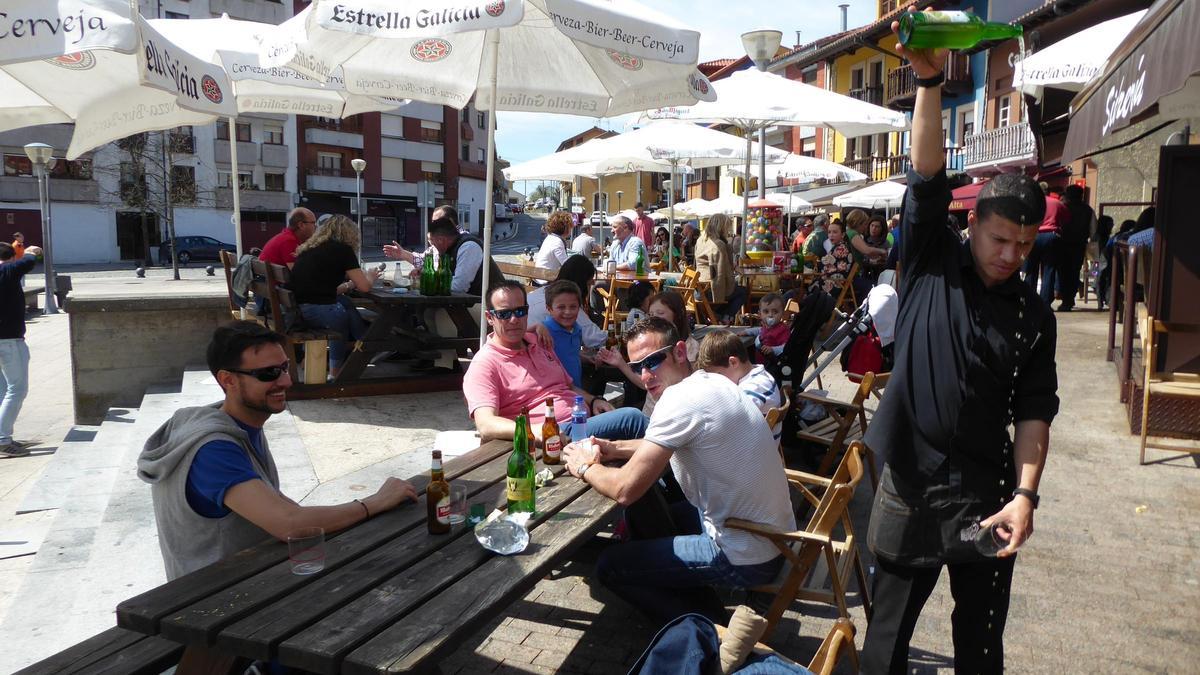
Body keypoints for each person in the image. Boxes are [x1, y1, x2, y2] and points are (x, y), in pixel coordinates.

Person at [859, 28, 1059, 674]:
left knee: (979, 645)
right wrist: (926, 82)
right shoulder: (930, 259)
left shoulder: (1033, 314)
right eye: (1001, 239)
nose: (1011, 256)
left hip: (988, 490)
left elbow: (1035, 410)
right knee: (885, 642)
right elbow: (925, 175)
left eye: (1025, 246)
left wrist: (1025, 496)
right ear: (973, 225)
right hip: (910, 480)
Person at [138, 321, 418, 579]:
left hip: (250, 575)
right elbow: (289, 524)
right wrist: (374, 502)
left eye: (285, 367)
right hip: (216, 600)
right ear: (228, 381)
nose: (285, 381)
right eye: (268, 374)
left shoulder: (241, 424)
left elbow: (281, 508)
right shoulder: (213, 450)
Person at [560, 317, 795, 626]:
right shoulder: (713, 381)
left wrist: (584, 465)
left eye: (653, 360)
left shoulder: (677, 400)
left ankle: (709, 628)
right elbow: (668, 442)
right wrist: (615, 448)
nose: (645, 375)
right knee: (654, 513)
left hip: (746, 554)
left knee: (609, 565)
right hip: (773, 537)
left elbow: (625, 490)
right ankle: (685, 590)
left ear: (680, 352)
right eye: (638, 366)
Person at [463, 281, 648, 446]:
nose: (514, 319)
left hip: (580, 420)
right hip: (551, 435)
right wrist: (532, 430)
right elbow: (485, 424)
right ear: (489, 317)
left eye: (520, 311)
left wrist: (593, 400)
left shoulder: (539, 341)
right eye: (504, 314)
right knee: (633, 419)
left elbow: (567, 386)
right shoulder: (485, 363)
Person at [290, 215, 380, 377]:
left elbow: (320, 286)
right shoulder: (343, 250)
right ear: (350, 234)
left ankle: (365, 341)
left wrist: (349, 283)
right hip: (315, 310)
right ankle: (337, 371)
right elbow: (365, 287)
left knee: (345, 303)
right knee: (341, 317)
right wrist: (371, 276)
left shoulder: (311, 247)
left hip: (298, 309)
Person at [696, 328, 783, 440]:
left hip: (753, 452)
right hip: (755, 444)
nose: (716, 381)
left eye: (718, 374)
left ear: (733, 362)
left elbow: (727, 420)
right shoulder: (758, 375)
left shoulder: (756, 386)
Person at [0, 241, 43, 458]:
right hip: (9, 340)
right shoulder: (8, 269)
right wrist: (28, 251)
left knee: (3, 389)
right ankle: (3, 440)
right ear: (11, 256)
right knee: (17, 389)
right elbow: (31, 257)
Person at [528, 255, 606, 351]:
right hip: (538, 353)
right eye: (589, 283)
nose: (592, 285)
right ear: (581, 284)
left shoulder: (543, 292)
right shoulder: (568, 305)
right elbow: (596, 339)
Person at [424, 216, 505, 296]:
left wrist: (429, 285)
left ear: (442, 240)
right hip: (470, 299)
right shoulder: (449, 249)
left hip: (491, 302)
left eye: (433, 244)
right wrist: (423, 275)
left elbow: (459, 287)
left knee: (430, 308)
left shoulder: (469, 247)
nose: (432, 248)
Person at [695, 213, 748, 323]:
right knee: (743, 292)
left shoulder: (701, 240)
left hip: (699, 289)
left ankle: (719, 316)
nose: (728, 230)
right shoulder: (718, 245)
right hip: (711, 291)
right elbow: (722, 274)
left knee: (736, 291)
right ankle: (725, 317)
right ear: (722, 227)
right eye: (727, 227)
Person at [1024, 187, 1070, 306]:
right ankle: (1045, 302)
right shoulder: (1057, 203)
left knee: (1031, 269)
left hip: (1034, 235)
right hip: (1052, 236)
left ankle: (1028, 298)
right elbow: (1066, 219)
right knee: (1049, 270)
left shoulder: (1031, 204)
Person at [382, 204, 463, 269]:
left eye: (436, 222)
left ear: (450, 221)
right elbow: (423, 260)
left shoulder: (466, 245)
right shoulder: (439, 240)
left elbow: (458, 285)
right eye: (433, 222)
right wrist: (402, 254)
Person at [540, 280, 587, 387]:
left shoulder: (577, 329)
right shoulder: (544, 332)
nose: (568, 312)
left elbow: (570, 353)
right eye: (561, 307)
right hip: (557, 392)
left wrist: (585, 358)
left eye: (573, 307)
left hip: (576, 389)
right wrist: (536, 326)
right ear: (549, 309)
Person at [1056, 185, 1094, 312]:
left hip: (1062, 243)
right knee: (1074, 272)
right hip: (1079, 244)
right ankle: (1069, 299)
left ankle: (1064, 298)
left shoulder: (1062, 207)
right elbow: (1093, 229)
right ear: (1081, 195)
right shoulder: (1088, 210)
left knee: (1062, 272)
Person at [748, 293, 788, 368]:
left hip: (773, 365)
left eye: (775, 312)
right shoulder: (766, 327)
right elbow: (759, 330)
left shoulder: (782, 330)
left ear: (783, 314)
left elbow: (786, 347)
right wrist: (747, 331)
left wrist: (773, 349)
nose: (770, 315)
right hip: (761, 365)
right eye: (766, 312)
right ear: (760, 314)